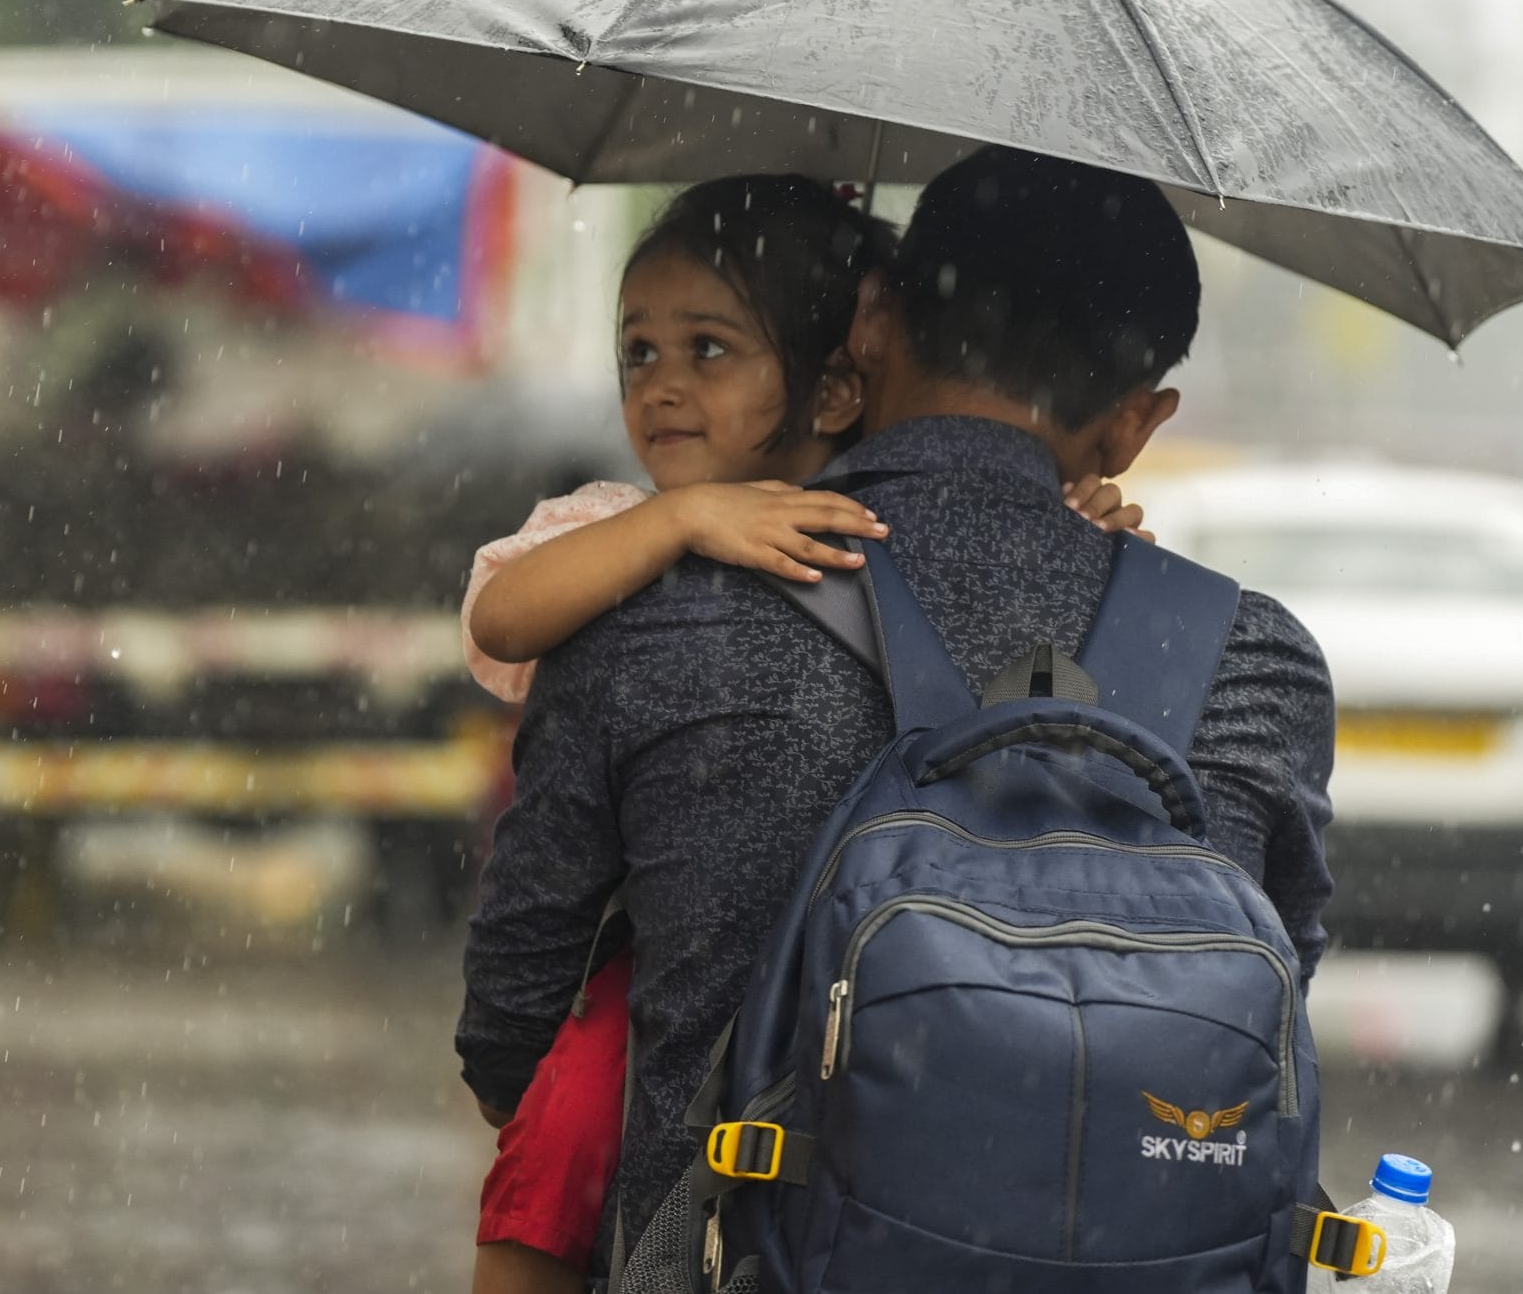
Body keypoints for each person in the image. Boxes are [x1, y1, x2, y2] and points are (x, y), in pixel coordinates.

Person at [456, 145, 1339, 1273]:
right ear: (1133, 423)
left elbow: (511, 1026)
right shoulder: (1247, 658)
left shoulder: (650, 608)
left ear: (870, 328)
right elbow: (1268, 1018)